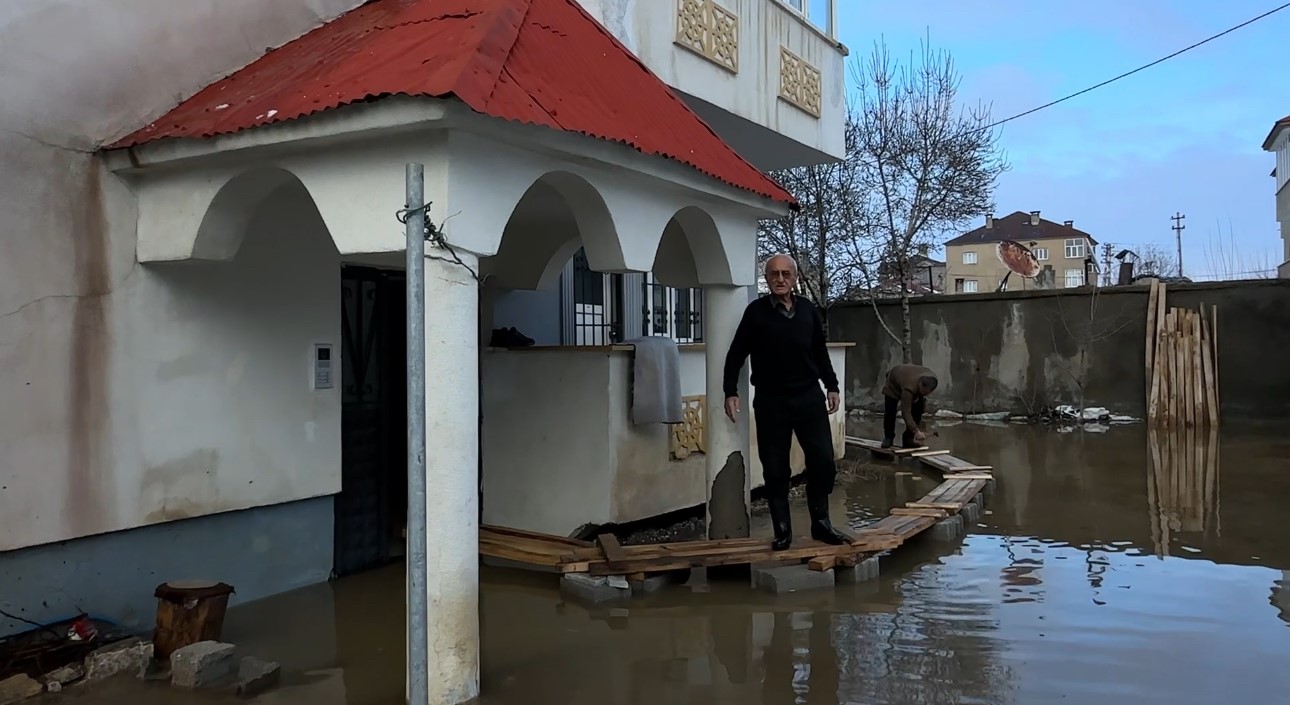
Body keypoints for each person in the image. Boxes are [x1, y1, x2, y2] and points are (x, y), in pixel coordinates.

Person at [722, 254, 848, 551]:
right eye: (774, 274)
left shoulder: (807, 310)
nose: (780, 279)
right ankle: (782, 530)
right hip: (771, 401)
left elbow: (820, 351)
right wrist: (730, 391)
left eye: (785, 274)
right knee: (776, 469)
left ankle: (821, 523)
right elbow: (735, 355)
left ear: (795, 278)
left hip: (808, 397)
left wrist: (832, 386)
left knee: (823, 463)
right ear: (766, 278)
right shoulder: (756, 313)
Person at [881, 364, 939, 449]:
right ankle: (888, 438)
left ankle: (908, 439)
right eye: (923, 392)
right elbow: (905, 412)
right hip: (893, 383)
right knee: (890, 411)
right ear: (920, 384)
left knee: (918, 409)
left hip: (906, 377)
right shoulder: (908, 388)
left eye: (926, 393)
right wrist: (916, 431)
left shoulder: (931, 378)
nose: (924, 394)